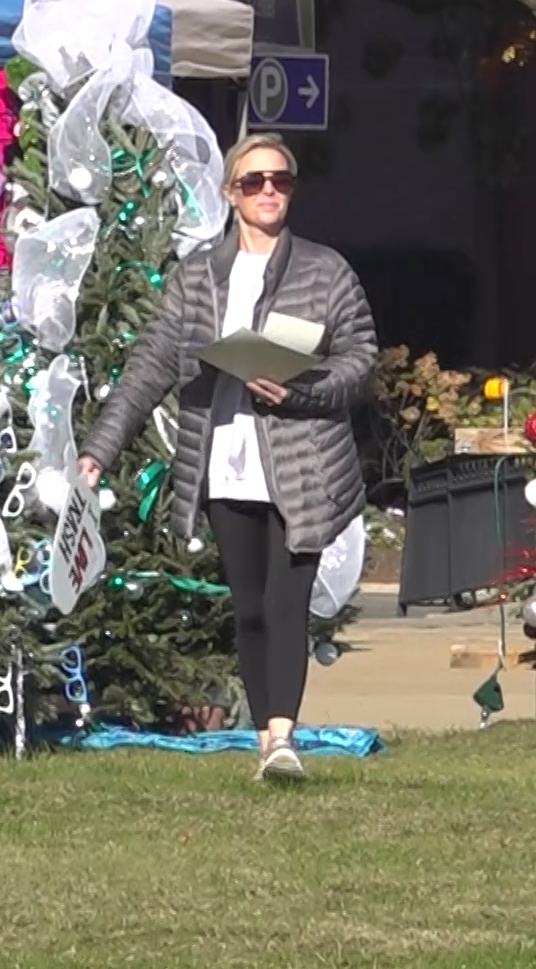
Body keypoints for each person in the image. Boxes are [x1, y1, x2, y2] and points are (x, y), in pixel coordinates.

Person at [77, 132, 376, 782]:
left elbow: (360, 362)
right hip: (225, 463)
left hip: (304, 465)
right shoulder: (196, 277)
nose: (268, 190)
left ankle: (280, 739)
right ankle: (266, 734)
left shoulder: (326, 271)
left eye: (280, 180)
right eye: (253, 182)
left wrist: (304, 387)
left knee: (285, 603)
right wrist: (100, 449)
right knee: (247, 606)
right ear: (230, 194)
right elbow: (151, 364)